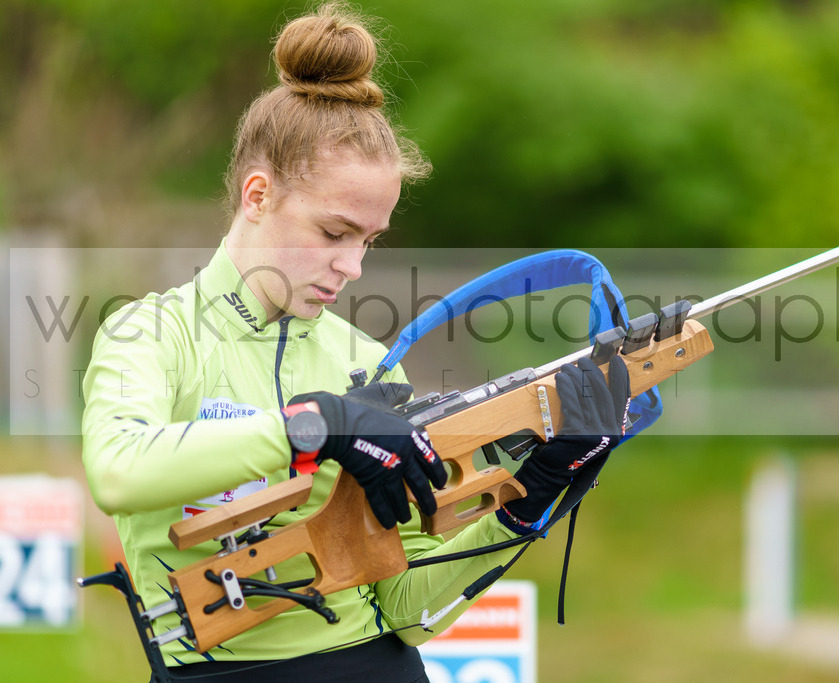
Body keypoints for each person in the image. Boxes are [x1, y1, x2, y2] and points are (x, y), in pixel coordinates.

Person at [81, 3, 630, 682]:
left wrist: (528, 499)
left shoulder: (367, 362)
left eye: (369, 241)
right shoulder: (150, 332)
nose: (354, 267)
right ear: (257, 195)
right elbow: (117, 468)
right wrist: (310, 428)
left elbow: (406, 610)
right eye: (334, 233)